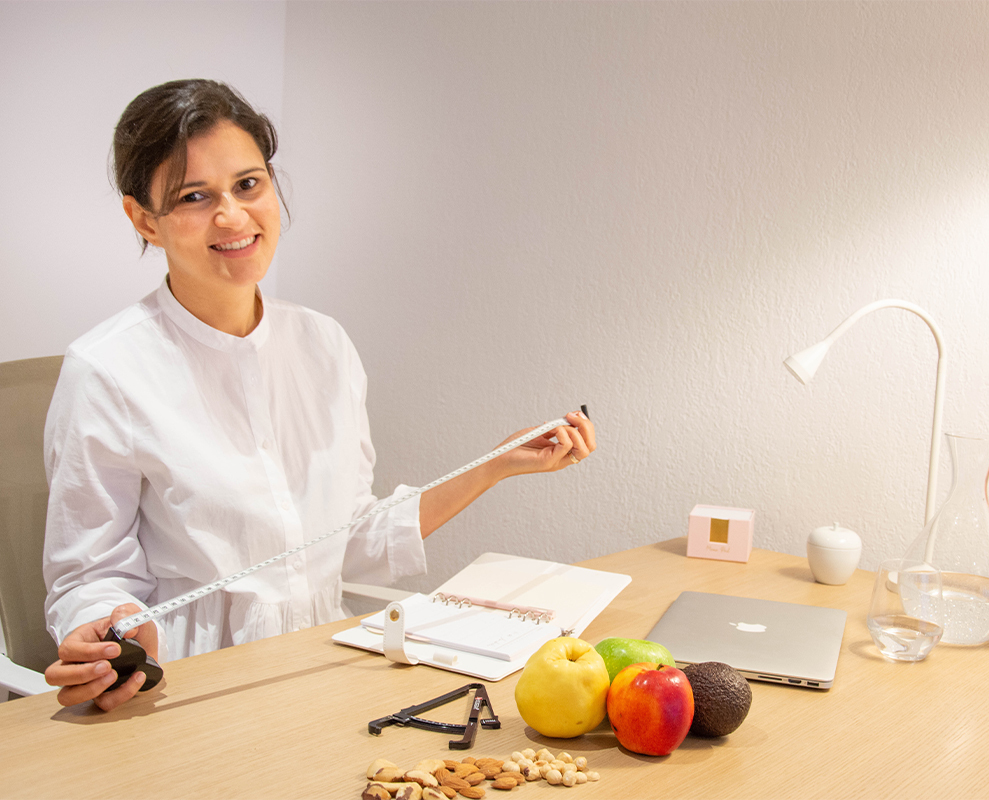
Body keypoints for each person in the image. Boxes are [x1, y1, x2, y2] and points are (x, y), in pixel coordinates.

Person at [41, 79, 595, 711]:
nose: (232, 215)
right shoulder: (107, 368)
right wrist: (107, 630)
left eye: (248, 185)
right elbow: (87, 576)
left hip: (321, 666)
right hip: (188, 686)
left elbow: (347, 542)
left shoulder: (324, 344)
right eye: (195, 196)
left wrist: (497, 465)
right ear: (144, 218)